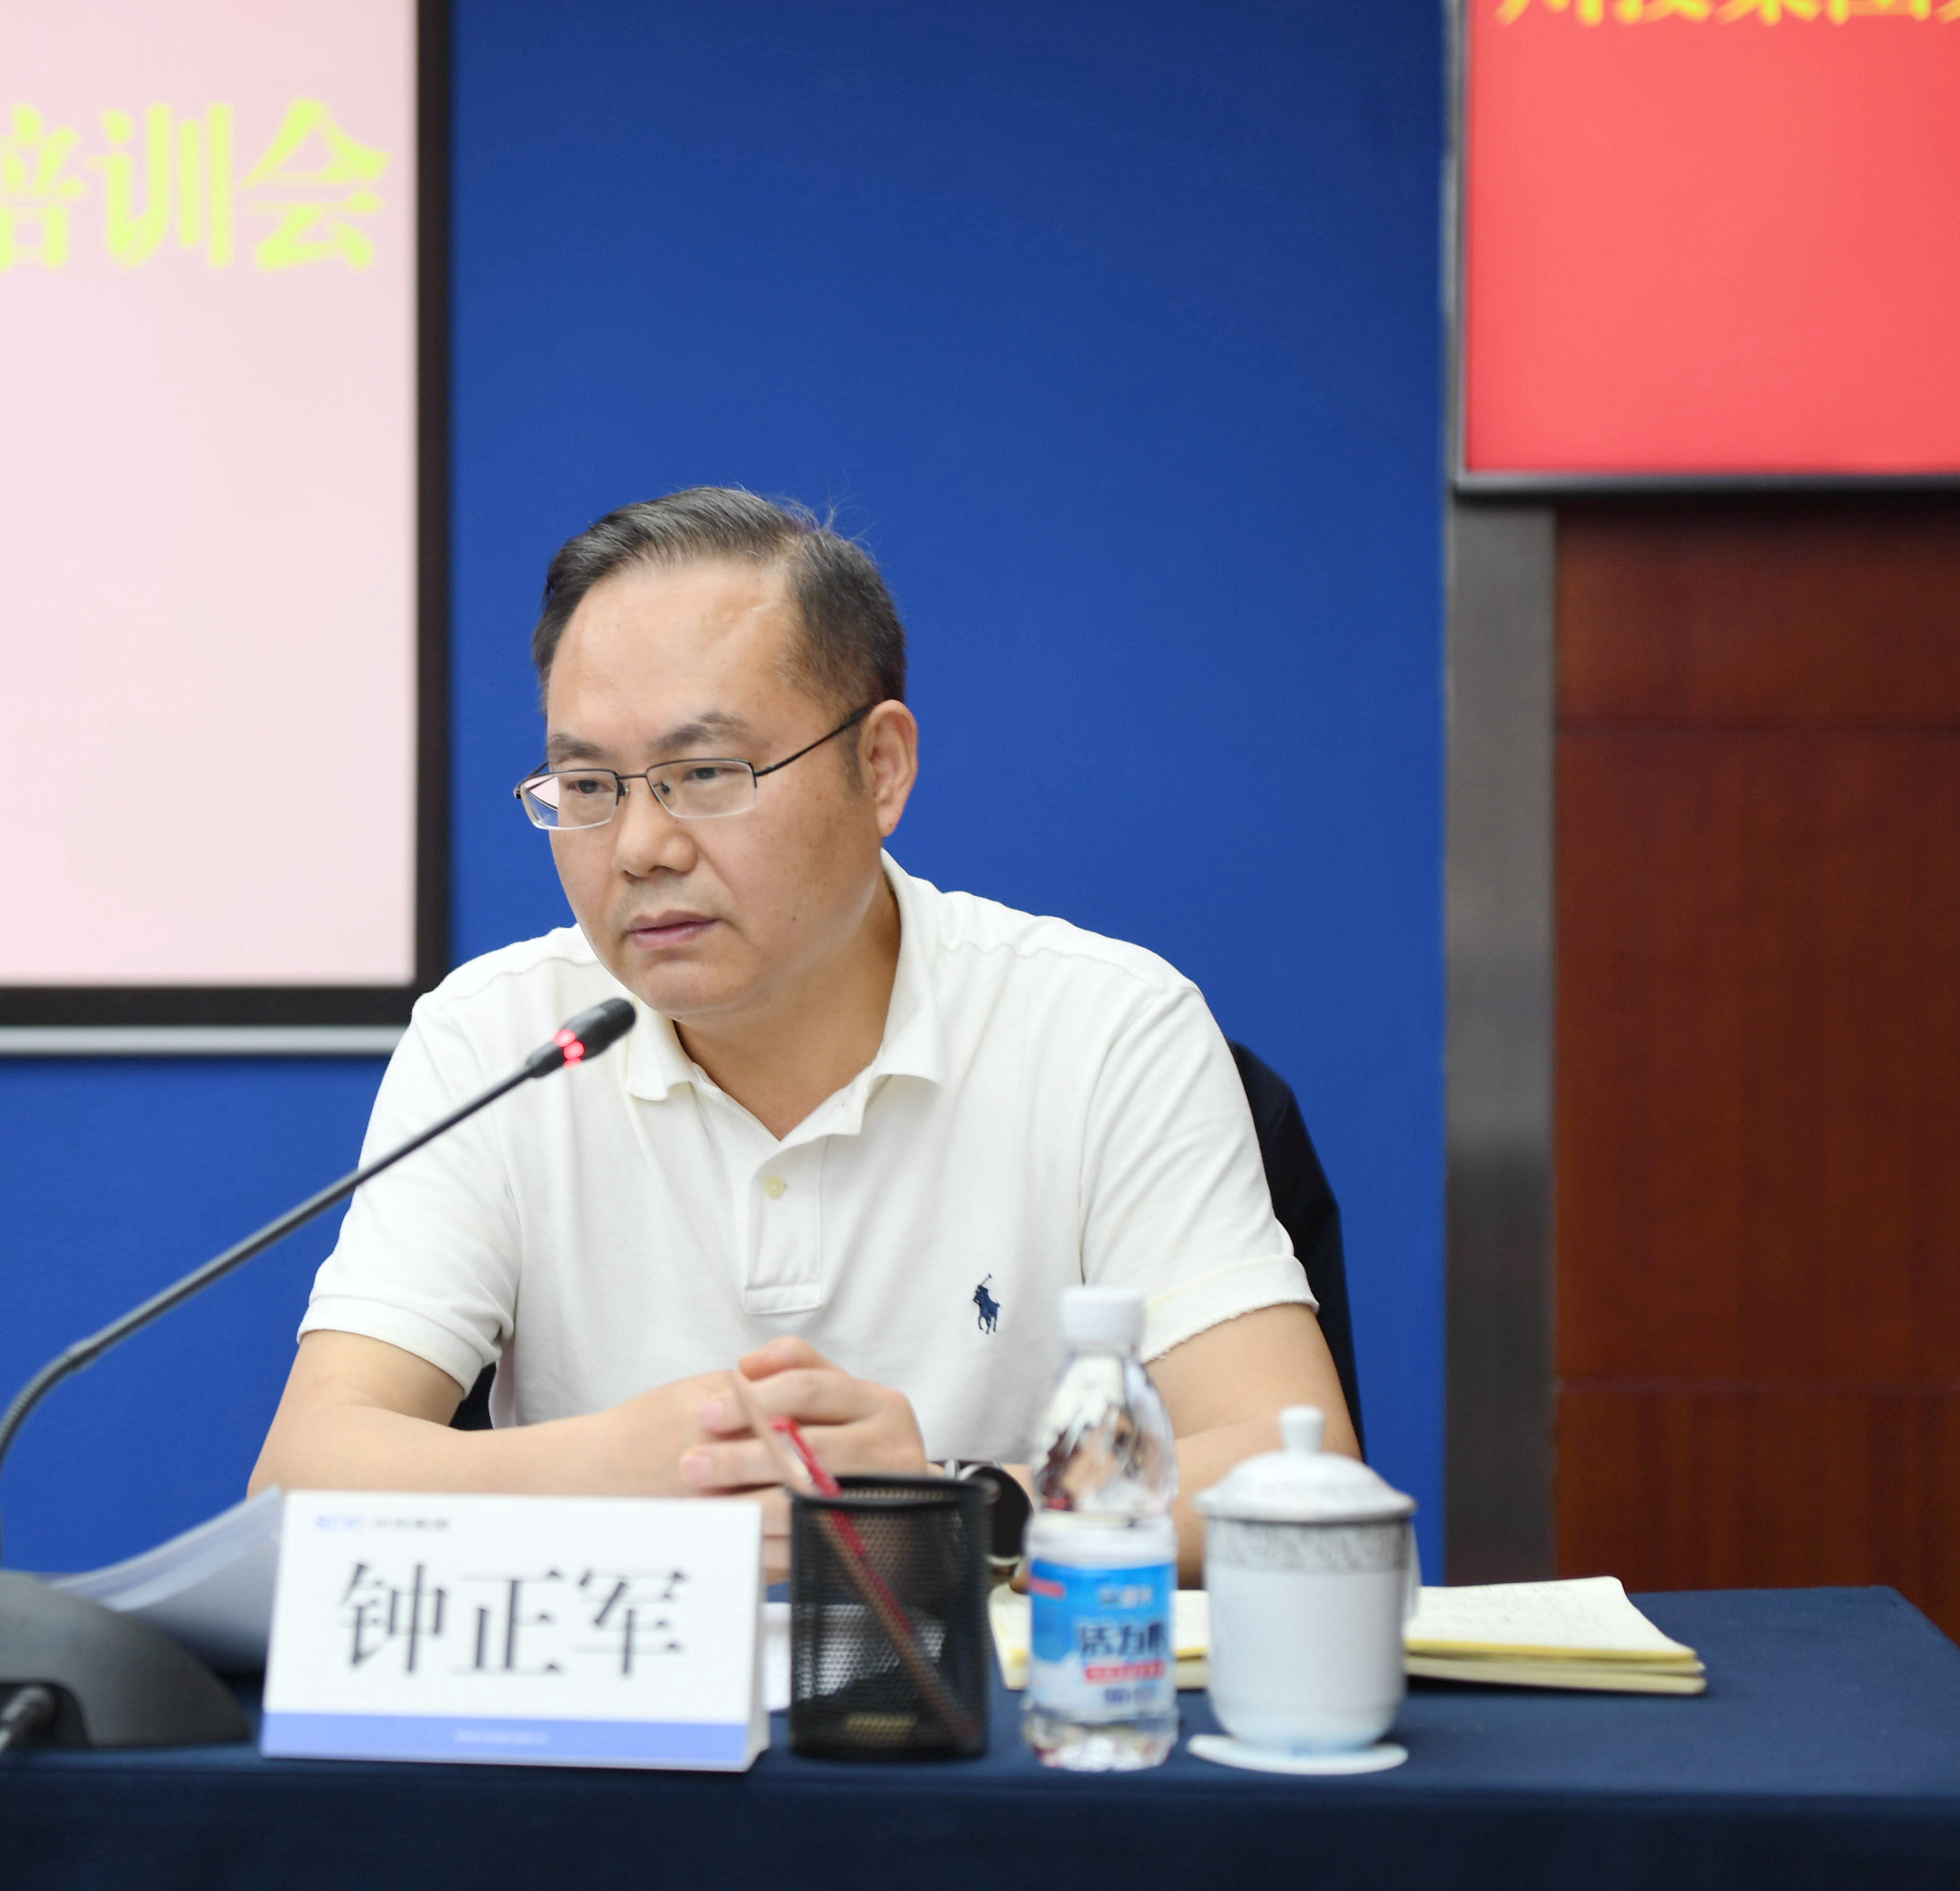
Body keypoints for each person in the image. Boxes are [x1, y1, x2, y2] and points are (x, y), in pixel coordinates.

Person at [249, 487, 1356, 1576]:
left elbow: (1289, 1462)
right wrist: (611, 1469)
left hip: (982, 1692)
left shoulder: (1103, 1027)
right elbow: (299, 1480)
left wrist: (963, 1508)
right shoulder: (499, 1042)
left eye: (704, 774)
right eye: (587, 784)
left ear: (880, 768)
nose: (639, 847)